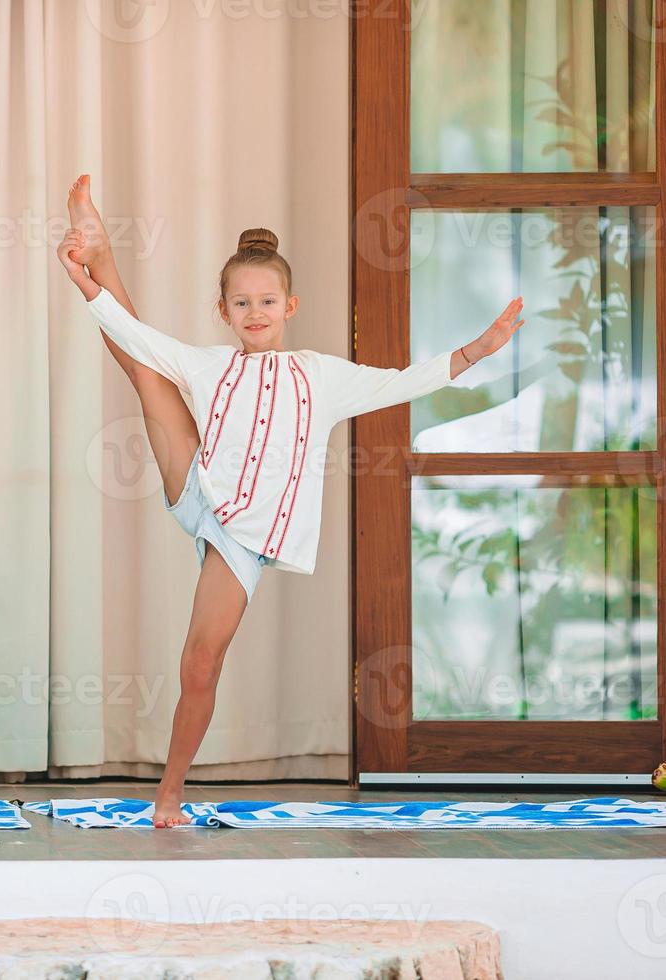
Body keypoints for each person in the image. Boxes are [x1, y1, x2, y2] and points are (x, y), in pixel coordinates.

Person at [57, 175, 525, 826]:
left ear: (290, 305)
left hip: (241, 537)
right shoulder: (210, 363)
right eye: (242, 303)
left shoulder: (321, 377)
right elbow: (139, 341)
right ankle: (98, 245)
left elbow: (403, 383)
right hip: (195, 481)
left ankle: (170, 790)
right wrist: (86, 285)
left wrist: (479, 349)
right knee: (145, 370)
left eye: (267, 301)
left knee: (200, 663)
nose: (255, 313)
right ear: (223, 310)